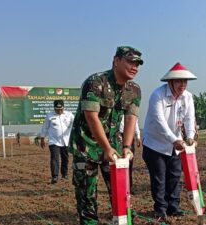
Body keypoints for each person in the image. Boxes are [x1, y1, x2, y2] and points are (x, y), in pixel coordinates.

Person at [69, 46, 143, 225]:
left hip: (114, 146)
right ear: (116, 61)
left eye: (137, 64)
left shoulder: (134, 89)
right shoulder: (95, 82)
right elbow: (91, 117)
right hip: (86, 146)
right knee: (87, 196)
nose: (134, 67)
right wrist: (106, 148)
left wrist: (126, 147)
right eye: (130, 61)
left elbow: (131, 118)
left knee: (120, 192)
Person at [142, 62, 197, 222]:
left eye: (185, 82)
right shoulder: (157, 95)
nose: (182, 85)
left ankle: (174, 207)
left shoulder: (188, 97)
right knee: (159, 178)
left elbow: (189, 118)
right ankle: (160, 209)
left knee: (174, 176)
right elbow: (160, 122)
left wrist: (190, 137)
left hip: (176, 145)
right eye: (179, 81)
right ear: (170, 82)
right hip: (155, 144)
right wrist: (175, 140)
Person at [41, 100, 74, 184]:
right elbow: (45, 128)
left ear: (63, 107)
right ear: (54, 108)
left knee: (65, 158)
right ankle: (55, 176)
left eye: (61, 109)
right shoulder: (49, 116)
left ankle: (64, 174)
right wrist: (42, 139)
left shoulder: (69, 115)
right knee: (54, 158)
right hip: (54, 141)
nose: (59, 111)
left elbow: (74, 125)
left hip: (66, 141)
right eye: (57, 109)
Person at [119, 114, 142, 193]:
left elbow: (134, 120)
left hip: (129, 136)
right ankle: (120, 187)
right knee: (118, 162)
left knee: (129, 162)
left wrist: (138, 135)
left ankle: (129, 187)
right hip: (117, 135)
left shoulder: (130, 106)